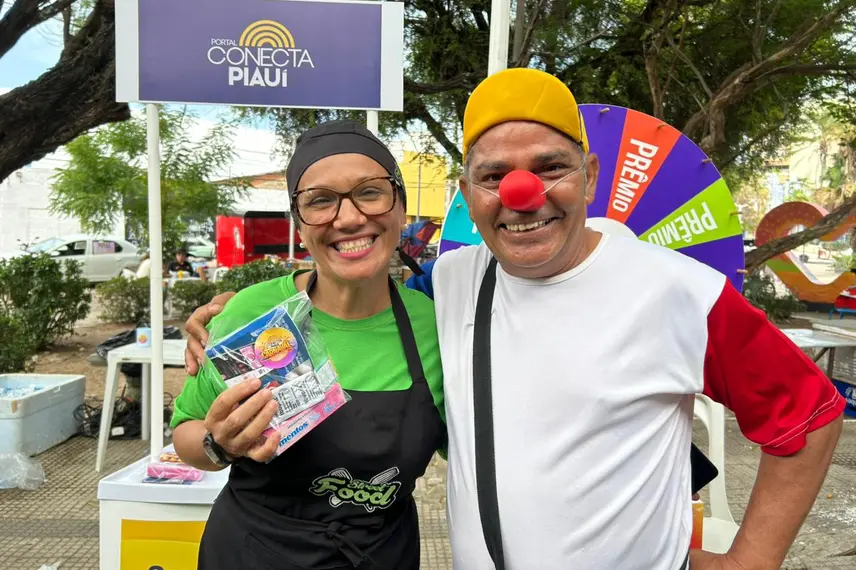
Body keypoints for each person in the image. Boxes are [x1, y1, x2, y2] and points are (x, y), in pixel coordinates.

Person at [184, 70, 845, 569]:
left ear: (588, 173)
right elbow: (348, 298)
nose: (523, 195)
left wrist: (748, 560)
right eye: (495, 176)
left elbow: (809, 419)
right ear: (469, 193)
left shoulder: (677, 292)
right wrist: (223, 313)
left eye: (550, 168)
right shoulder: (453, 282)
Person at [171, 120, 445, 569]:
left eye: (371, 192)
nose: (350, 217)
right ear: (299, 224)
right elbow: (186, 434)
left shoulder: (438, 325)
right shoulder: (250, 313)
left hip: (381, 557)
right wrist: (219, 445)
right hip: (252, 555)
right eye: (320, 201)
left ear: (401, 207)